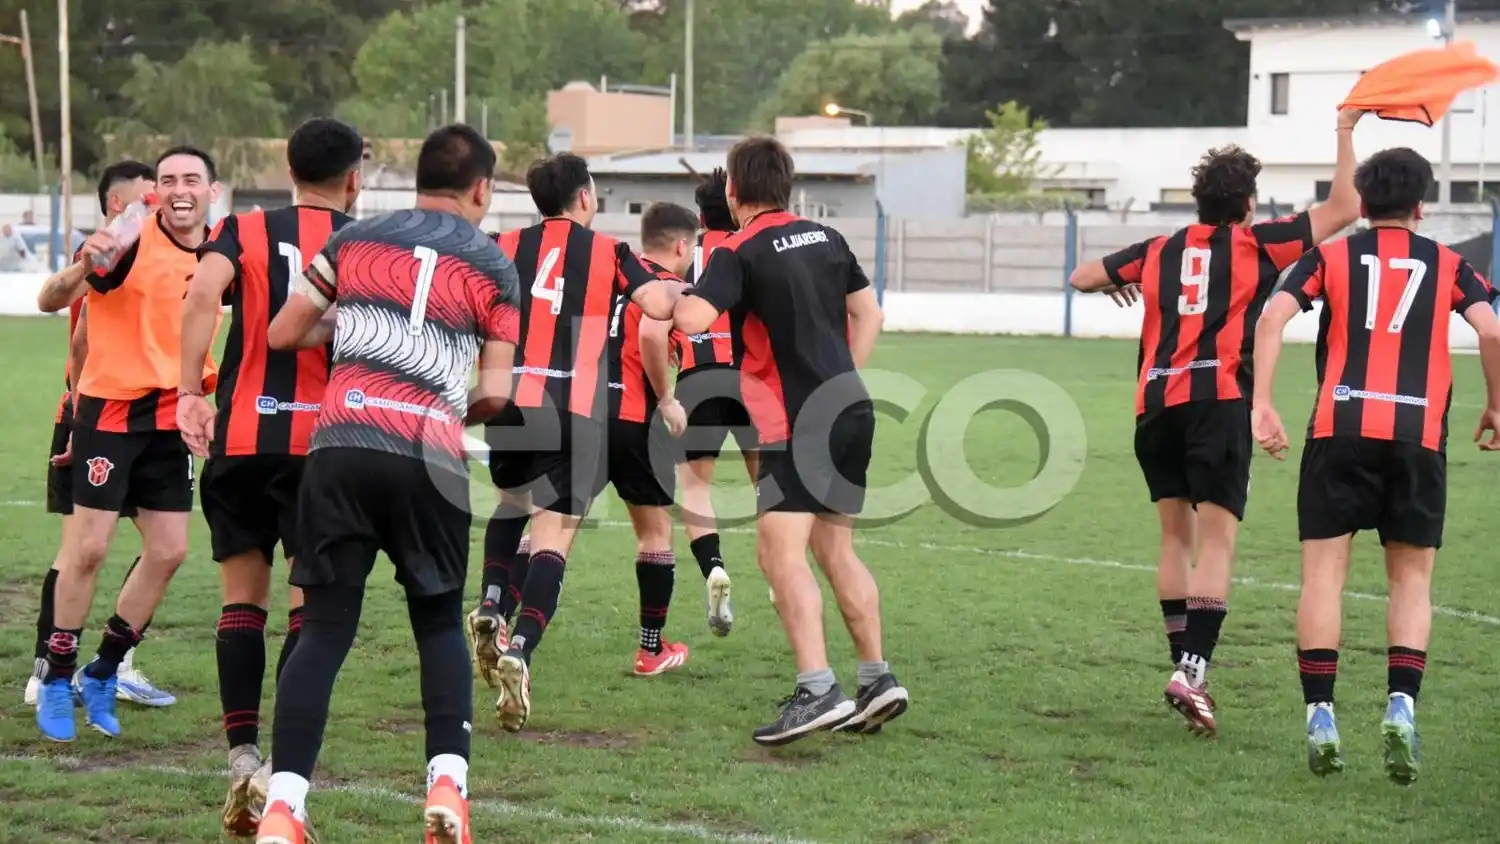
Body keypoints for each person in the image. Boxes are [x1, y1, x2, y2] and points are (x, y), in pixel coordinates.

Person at [254, 124, 518, 844]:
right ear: (482, 189)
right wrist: (449, 389)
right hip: (429, 454)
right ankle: (447, 788)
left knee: (326, 626)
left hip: (341, 444)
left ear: (415, 178)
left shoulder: (355, 240)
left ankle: (283, 804)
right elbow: (495, 391)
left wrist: (348, 329)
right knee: (437, 623)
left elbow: (283, 332)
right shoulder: (495, 266)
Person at [1067, 108, 1367, 737]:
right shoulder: (1259, 242)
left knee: (1175, 538)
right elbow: (1345, 207)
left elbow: (1082, 274)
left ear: (1200, 200)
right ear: (1248, 204)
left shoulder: (1157, 249)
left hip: (1155, 404)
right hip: (1220, 399)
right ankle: (1193, 672)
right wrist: (1344, 130)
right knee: (1218, 541)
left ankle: (1185, 666)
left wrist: (1115, 287)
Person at [1251, 147, 1500, 782]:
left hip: (1339, 428)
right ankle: (1400, 707)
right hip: (1417, 435)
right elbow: (1493, 332)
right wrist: (1496, 405)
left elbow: (1273, 315)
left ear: (1361, 205)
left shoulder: (1332, 255)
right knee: (1412, 581)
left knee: (1323, 578)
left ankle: (1321, 714)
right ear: (1422, 206)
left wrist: (1262, 404)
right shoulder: (1449, 263)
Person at [673, 136, 903, 745]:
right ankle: (877, 679)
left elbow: (694, 320)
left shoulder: (739, 247)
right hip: (849, 406)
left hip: (790, 416)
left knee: (779, 554)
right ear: (788, 185)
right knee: (836, 551)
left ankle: (818, 688)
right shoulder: (827, 237)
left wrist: (668, 288)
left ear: (732, 191)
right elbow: (870, 314)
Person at [177, 118, 364, 836]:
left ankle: (241, 756)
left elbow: (200, 298)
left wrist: (190, 390)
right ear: (354, 178)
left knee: (239, 604)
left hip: (242, 439)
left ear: (288, 170)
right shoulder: (363, 242)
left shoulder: (242, 231)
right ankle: (281, 778)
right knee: (306, 614)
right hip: (324, 446)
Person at [468, 152, 678, 733]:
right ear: (584, 197)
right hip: (574, 410)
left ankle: (490, 603)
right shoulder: (610, 251)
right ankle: (522, 650)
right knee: (552, 539)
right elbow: (658, 305)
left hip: (511, 400)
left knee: (511, 504)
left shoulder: (503, 243)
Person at [35, 147, 220, 743]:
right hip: (110, 411)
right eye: (168, 180)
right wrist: (84, 264)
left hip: (172, 415)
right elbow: (52, 298)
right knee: (87, 550)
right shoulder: (129, 241)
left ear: (212, 190)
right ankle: (58, 674)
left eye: (192, 178)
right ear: (154, 192)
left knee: (168, 551)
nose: (179, 188)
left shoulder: (221, 251)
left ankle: (104, 671)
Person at [26, 161, 177, 711]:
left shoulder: (165, 254)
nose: (159, 205)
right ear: (119, 206)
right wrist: (74, 416)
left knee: (164, 546)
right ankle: (48, 668)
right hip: (94, 414)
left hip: (150, 418)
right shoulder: (107, 256)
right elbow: (80, 342)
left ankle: (118, 664)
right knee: (81, 548)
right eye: (147, 198)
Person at [607, 202, 693, 675]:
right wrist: (666, 398)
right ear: (682, 245)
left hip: (582, 412)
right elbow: (652, 337)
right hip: (636, 418)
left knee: (551, 529)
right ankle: (651, 648)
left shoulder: (613, 275)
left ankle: (505, 623)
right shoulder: (668, 289)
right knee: (655, 533)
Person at [674, 168, 757, 637]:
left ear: (699, 216)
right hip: (751, 378)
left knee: (696, 490)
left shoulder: (686, 257)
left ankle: (714, 570)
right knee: (769, 486)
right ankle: (779, 574)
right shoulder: (751, 249)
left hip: (697, 378)